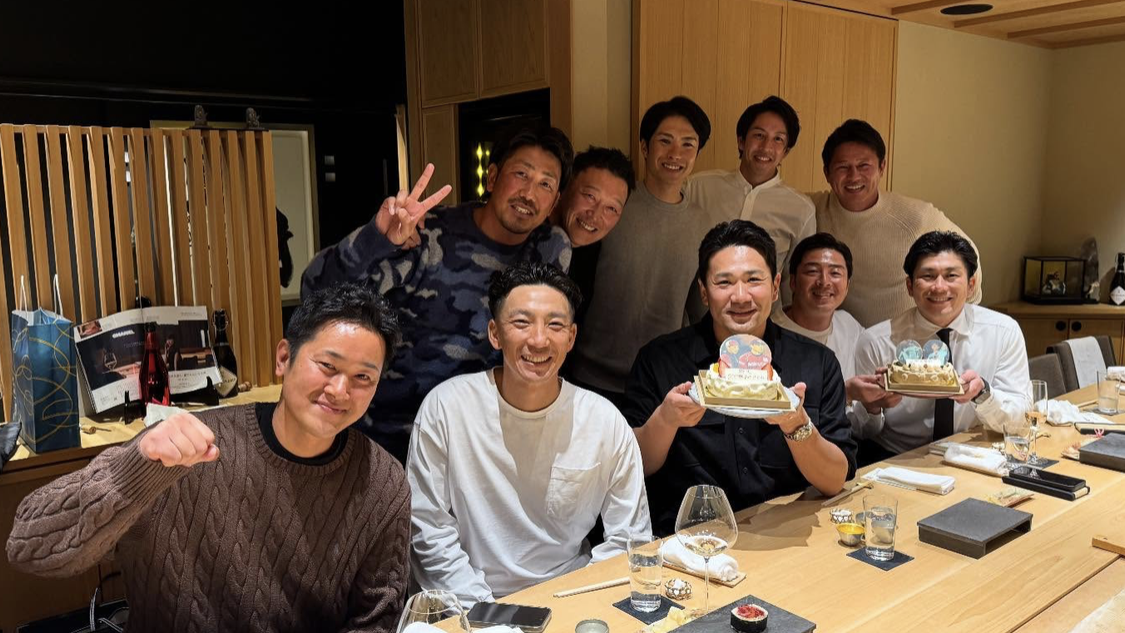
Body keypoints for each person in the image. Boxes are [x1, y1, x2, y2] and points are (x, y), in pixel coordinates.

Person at [8, 283, 411, 632]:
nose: (340, 390)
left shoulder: (382, 483)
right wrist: (132, 470)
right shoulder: (183, 450)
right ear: (284, 358)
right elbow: (28, 545)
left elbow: (376, 619)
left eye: (363, 377)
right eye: (327, 365)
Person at [302, 125, 573, 462]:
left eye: (545, 184)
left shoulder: (549, 249)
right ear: (492, 177)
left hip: (474, 447)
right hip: (389, 439)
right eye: (521, 174)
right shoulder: (425, 235)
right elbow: (317, 291)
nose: (529, 194)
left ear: (554, 201)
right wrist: (377, 239)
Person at [408, 263, 650, 605]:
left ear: (571, 337)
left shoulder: (604, 421)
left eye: (555, 325)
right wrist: (487, 613)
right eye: (522, 323)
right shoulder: (446, 408)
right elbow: (427, 529)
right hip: (467, 603)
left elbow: (629, 539)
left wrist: (571, 604)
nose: (538, 340)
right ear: (495, 333)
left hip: (569, 598)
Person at [622, 220, 856, 535]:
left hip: (786, 534)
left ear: (775, 286)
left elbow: (835, 480)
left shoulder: (817, 363)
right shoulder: (659, 360)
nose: (741, 296)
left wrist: (796, 424)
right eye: (724, 282)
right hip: (691, 539)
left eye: (753, 280)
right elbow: (634, 467)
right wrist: (666, 419)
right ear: (704, 292)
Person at [570, 96, 726, 406]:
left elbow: (701, 310)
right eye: (665, 141)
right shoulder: (613, 206)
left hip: (660, 381)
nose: (675, 154)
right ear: (644, 147)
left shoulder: (705, 224)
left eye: (688, 145)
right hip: (588, 375)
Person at [853, 231, 1030, 461]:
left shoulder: (1003, 332)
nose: (939, 287)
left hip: (972, 455)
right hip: (897, 457)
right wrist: (873, 407)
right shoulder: (875, 342)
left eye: (951, 276)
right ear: (909, 286)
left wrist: (982, 394)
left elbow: (1020, 420)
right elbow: (861, 431)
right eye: (928, 276)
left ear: (971, 285)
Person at [811, 119, 983, 326]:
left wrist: (954, 316)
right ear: (827, 173)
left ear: (882, 167)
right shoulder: (811, 210)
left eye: (864, 166)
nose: (854, 176)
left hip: (904, 339)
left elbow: (968, 255)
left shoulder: (915, 217)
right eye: (843, 167)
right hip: (842, 337)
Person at [687, 95, 815, 307]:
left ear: (786, 151)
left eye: (778, 139)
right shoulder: (698, 187)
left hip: (763, 320)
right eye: (759, 135)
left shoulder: (801, 209)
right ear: (741, 141)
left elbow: (794, 283)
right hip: (701, 317)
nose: (766, 147)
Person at [771, 233, 896, 418]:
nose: (824, 282)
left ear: (847, 286)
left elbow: (862, 428)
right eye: (812, 271)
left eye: (835, 273)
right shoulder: (769, 335)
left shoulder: (848, 326)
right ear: (793, 281)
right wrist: (844, 394)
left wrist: (873, 405)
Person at [547, 146, 635, 325]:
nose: (595, 215)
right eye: (590, 196)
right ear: (566, 186)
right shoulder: (527, 237)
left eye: (611, 208)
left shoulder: (593, 250)